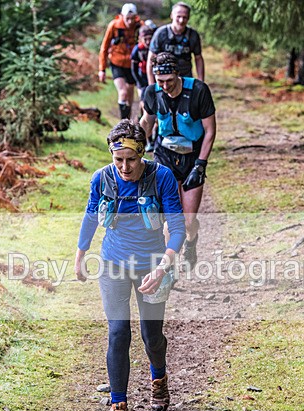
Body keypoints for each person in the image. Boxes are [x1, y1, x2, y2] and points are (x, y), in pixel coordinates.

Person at [75, 120, 185, 411]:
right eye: (118, 160)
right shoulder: (102, 179)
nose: (125, 167)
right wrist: (81, 253)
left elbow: (177, 227)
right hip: (113, 263)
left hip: (153, 265)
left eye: (131, 160)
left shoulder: (161, 177)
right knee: (118, 332)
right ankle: (118, 404)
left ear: (143, 154)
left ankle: (159, 375)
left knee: (152, 337)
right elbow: (90, 214)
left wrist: (163, 267)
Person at [140, 52, 216, 268]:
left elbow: (210, 131)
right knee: (170, 218)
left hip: (192, 157)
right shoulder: (152, 93)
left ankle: (191, 243)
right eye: (160, 81)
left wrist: (201, 164)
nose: (164, 86)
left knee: (189, 220)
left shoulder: (199, 91)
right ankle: (168, 267)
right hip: (165, 156)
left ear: (178, 74)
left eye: (169, 81)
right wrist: (135, 147)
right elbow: (147, 122)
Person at [98, 3, 143, 120]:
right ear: (122, 16)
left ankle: (127, 121)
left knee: (130, 95)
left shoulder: (140, 26)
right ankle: (122, 122)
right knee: (122, 93)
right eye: (127, 19)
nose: (130, 21)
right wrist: (102, 69)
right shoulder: (114, 26)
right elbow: (104, 46)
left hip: (132, 63)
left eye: (132, 18)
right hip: (116, 62)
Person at [146, 2, 204, 85]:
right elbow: (151, 60)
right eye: (178, 17)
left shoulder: (193, 35)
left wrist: (201, 82)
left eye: (185, 17)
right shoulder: (160, 33)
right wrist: (151, 85)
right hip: (164, 79)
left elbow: (198, 58)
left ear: (188, 18)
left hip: (185, 77)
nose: (181, 20)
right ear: (172, 15)